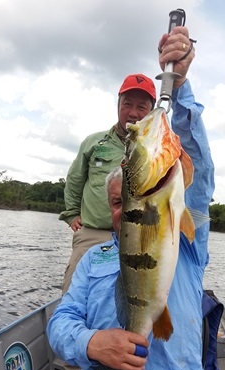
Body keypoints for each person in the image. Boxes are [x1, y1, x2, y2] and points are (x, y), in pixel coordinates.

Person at [39, 26, 225, 370]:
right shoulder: (94, 260)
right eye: (115, 203)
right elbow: (61, 323)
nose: (122, 210)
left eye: (127, 199)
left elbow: (199, 173)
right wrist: (92, 342)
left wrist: (182, 86)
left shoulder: (186, 240)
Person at [59, 73, 156, 295]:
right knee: (73, 294)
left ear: (151, 111)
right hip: (94, 234)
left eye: (142, 107)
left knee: (133, 298)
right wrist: (72, 213)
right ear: (118, 104)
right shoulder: (94, 142)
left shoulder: (157, 149)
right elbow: (74, 180)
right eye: (127, 104)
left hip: (140, 239)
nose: (133, 112)